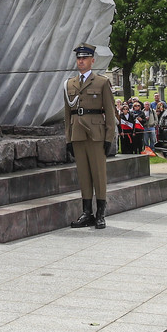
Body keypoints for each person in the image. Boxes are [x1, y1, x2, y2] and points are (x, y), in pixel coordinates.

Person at [65, 43, 118, 230]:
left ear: (92, 60)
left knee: (98, 175)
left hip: (96, 135)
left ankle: (100, 213)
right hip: (77, 133)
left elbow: (110, 113)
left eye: (85, 58)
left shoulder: (102, 82)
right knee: (84, 175)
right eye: (79, 58)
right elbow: (67, 114)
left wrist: (109, 138)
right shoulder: (69, 83)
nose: (81, 61)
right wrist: (68, 139)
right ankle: (87, 213)